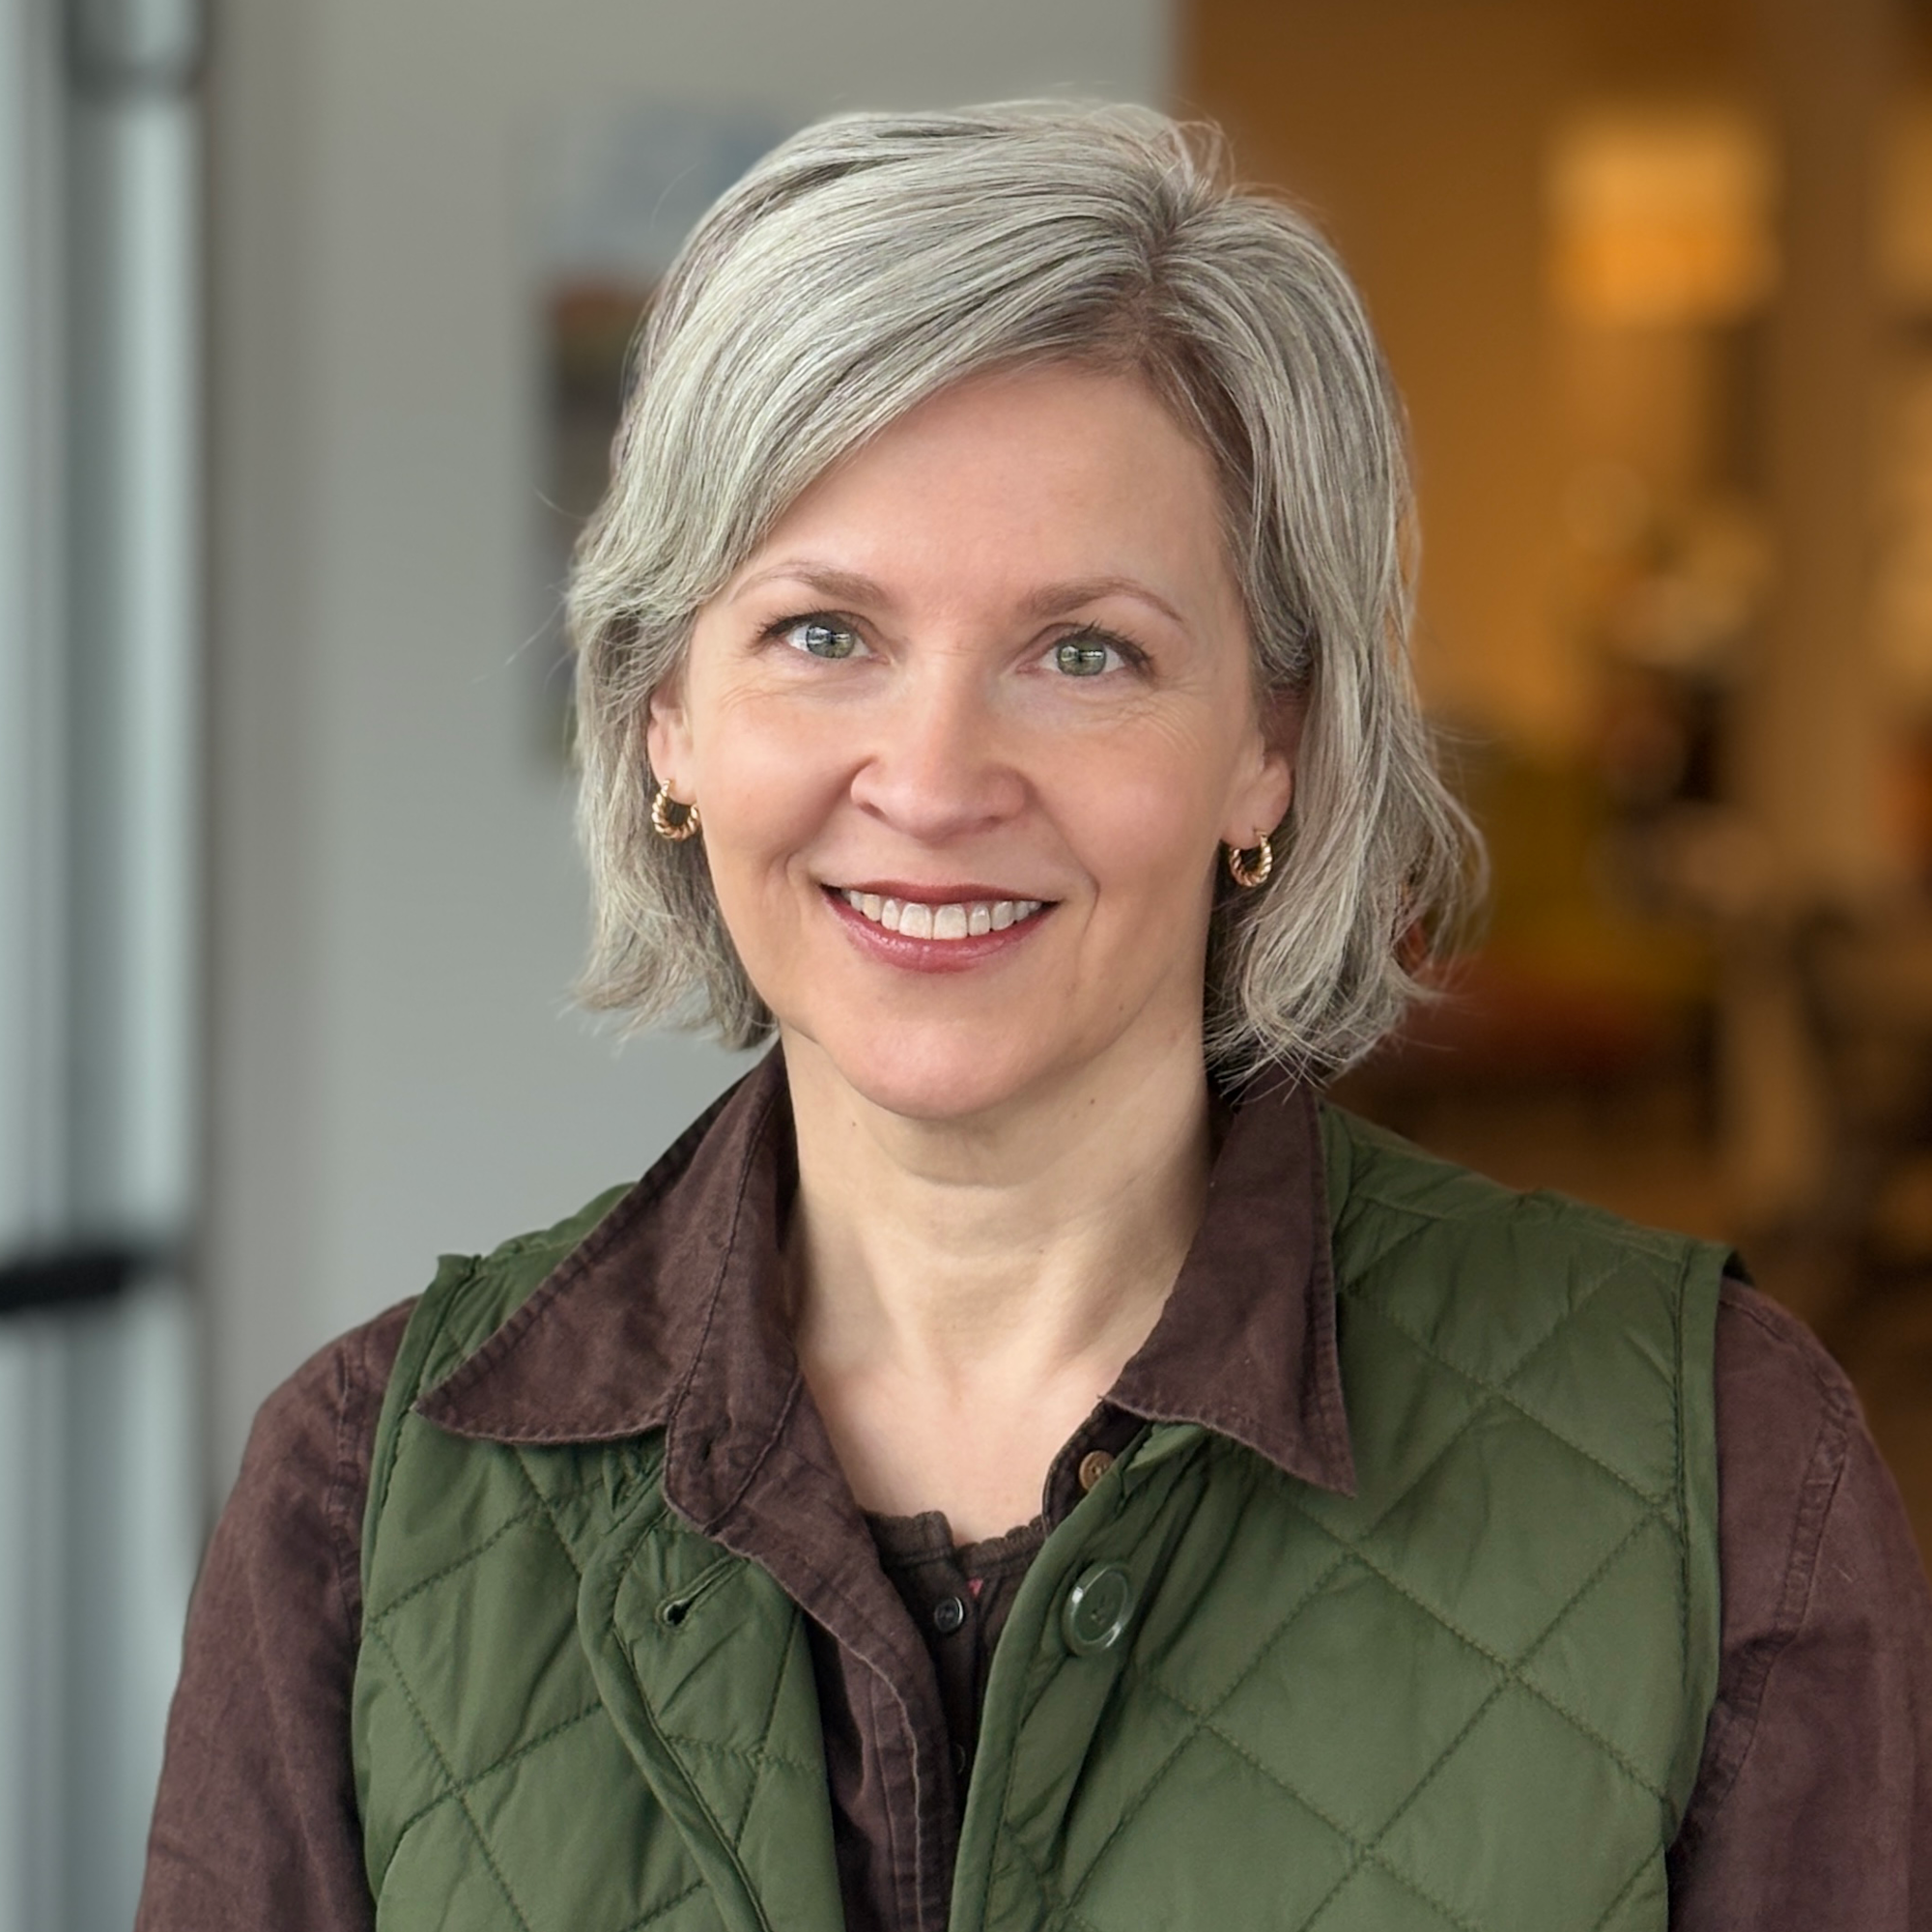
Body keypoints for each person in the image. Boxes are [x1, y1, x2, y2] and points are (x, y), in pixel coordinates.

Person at [138, 103, 1931, 1932]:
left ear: (1271, 751)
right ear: (667, 717)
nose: (930, 780)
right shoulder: (361, 1499)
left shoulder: (1717, 1468)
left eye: (1087, 653)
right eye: (824, 633)